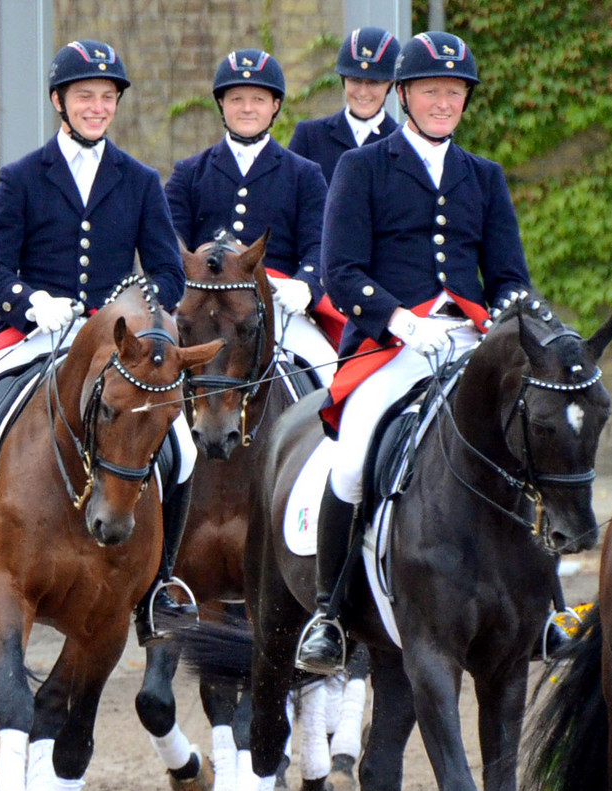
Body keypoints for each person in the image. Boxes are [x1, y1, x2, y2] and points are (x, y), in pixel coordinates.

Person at [0, 39, 189, 646]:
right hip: (35, 334)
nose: (97, 107)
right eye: (85, 96)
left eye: (106, 98)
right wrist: (32, 303)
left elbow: (169, 274)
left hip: (113, 349)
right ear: (60, 101)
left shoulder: (138, 181)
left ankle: (161, 585)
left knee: (178, 447)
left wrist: (132, 305)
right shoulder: (22, 176)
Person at [295, 31, 530, 675]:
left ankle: (546, 600)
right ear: (404, 95)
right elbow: (340, 270)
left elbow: (509, 274)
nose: (442, 102)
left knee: (528, 437)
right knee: (352, 461)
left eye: (453, 92)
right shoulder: (361, 168)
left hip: (466, 341)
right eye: (430, 90)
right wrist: (398, 318)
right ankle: (330, 611)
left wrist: (504, 315)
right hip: (388, 343)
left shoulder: (483, 175)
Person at [165, 49, 338, 381]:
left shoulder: (304, 173)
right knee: (156, 383)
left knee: (328, 376)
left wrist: (306, 284)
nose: (247, 108)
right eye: (236, 99)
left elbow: (321, 243)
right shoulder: (189, 172)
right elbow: (169, 240)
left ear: (274, 106)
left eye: (258, 99)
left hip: (278, 305)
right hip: (205, 308)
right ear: (221, 105)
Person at [287, 27, 401, 186]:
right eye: (355, 80)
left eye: (374, 83)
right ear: (343, 79)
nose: (363, 92)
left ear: (390, 84)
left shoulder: (401, 141)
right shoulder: (309, 136)